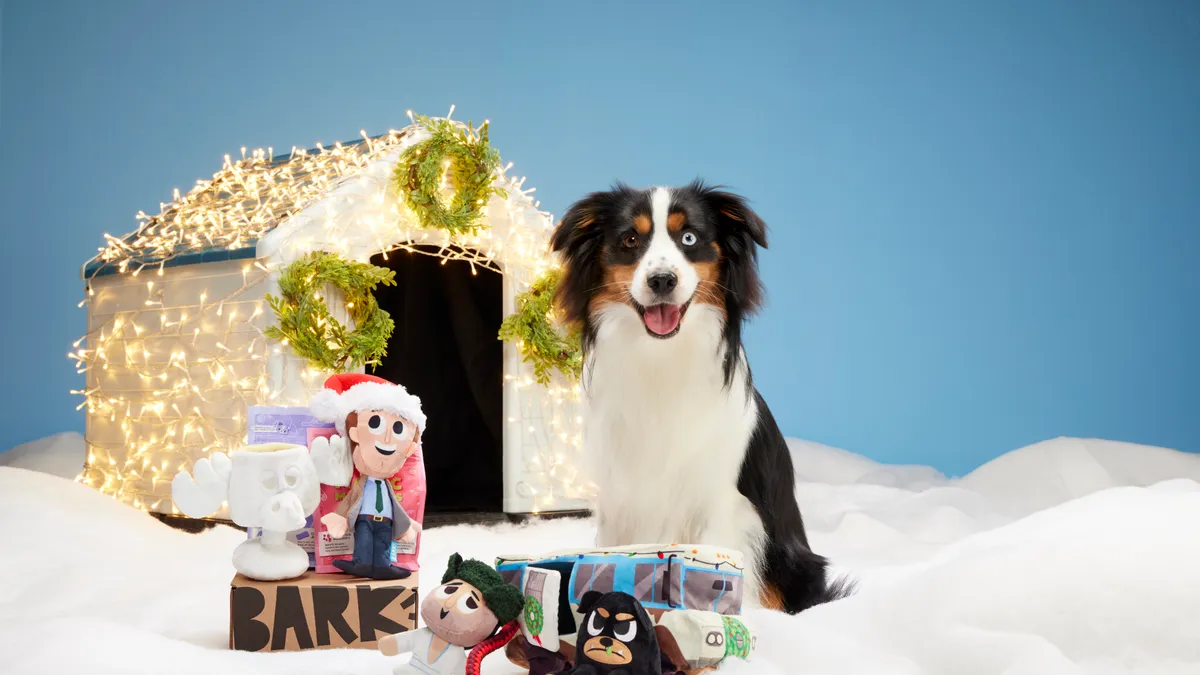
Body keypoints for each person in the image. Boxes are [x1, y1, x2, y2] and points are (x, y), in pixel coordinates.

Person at [310, 373, 425, 580]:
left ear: (409, 449)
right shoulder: (363, 483)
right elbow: (351, 498)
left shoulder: (387, 486)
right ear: (354, 435)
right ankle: (361, 563)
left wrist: (407, 524)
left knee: (383, 543)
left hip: (386, 523)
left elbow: (396, 505)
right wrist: (340, 517)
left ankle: (382, 566)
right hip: (363, 520)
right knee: (363, 541)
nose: (388, 439)